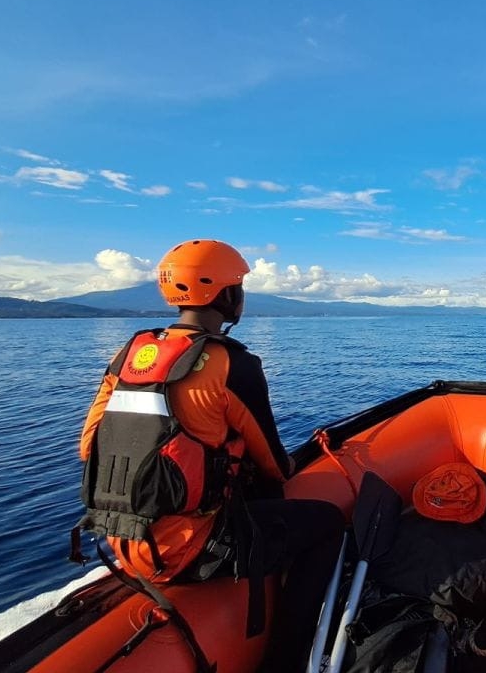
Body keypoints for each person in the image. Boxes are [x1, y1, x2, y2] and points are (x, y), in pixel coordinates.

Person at [75, 238, 345, 673]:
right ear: (225, 294)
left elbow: (89, 446)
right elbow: (275, 464)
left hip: (124, 542)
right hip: (192, 549)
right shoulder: (232, 364)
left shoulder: (130, 354)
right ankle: (286, 658)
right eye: (238, 285)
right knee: (329, 523)